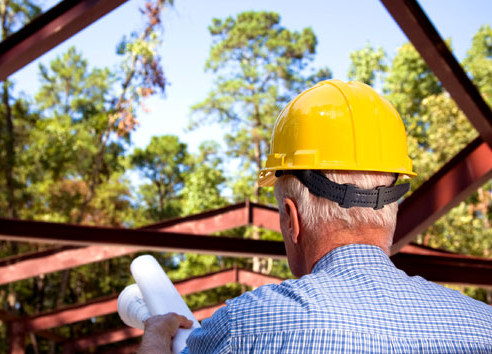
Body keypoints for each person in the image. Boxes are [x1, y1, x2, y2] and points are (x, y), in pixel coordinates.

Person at [138, 80, 492, 353]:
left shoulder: (247, 326)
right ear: (392, 211)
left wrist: (156, 335)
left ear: (292, 220)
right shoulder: (483, 327)